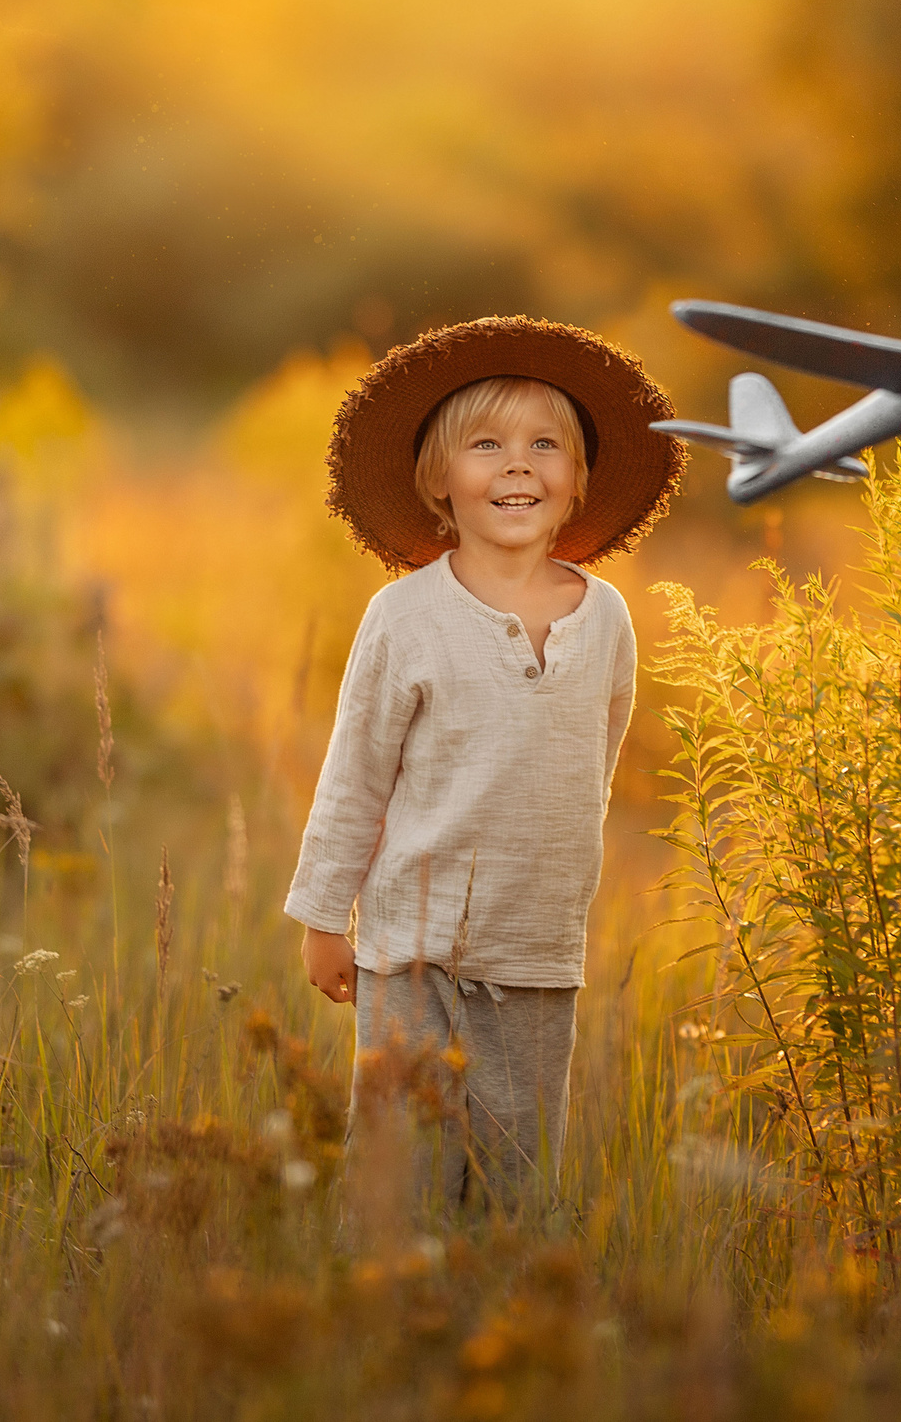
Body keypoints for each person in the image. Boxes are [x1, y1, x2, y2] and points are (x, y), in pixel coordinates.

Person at [282, 316, 683, 1217]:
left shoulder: (605, 618)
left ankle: (502, 1300)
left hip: (537, 948)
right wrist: (322, 916)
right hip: (409, 952)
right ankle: (386, 1294)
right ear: (439, 478)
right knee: (402, 1172)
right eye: (487, 445)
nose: (517, 466)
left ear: (576, 480)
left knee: (517, 1179)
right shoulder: (404, 617)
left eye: (545, 445)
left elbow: (596, 761)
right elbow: (356, 776)